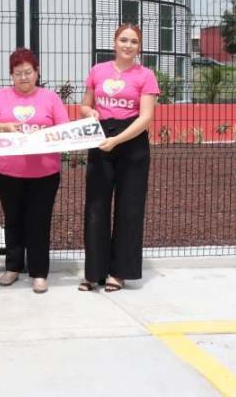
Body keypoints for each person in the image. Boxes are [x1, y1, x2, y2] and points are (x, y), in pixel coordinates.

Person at [79, 23, 159, 292]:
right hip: (101, 139)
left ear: (139, 47)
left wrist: (117, 140)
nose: (128, 45)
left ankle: (119, 272)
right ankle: (94, 272)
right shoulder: (98, 71)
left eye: (134, 42)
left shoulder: (146, 75)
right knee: (96, 207)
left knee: (129, 208)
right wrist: (89, 113)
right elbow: (85, 104)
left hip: (131, 143)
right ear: (114, 43)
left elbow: (146, 117)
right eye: (123, 40)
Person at [0, 48, 69, 294]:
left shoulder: (50, 98)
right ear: (11, 75)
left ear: (37, 72)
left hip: (44, 173)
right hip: (6, 172)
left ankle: (39, 272)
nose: (24, 77)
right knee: (12, 220)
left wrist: (44, 135)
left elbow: (64, 129)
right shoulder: (0, 97)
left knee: (39, 222)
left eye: (28, 72)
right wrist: (4, 127)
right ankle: (12, 267)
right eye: (18, 73)